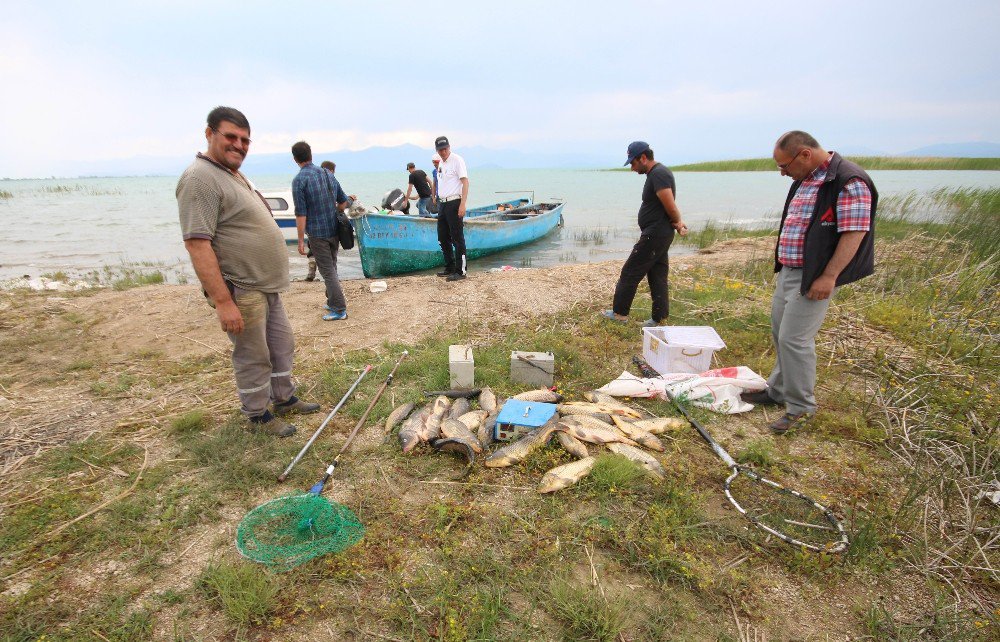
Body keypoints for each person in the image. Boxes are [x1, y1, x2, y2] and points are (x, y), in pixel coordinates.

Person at [176, 106, 320, 437]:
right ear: (209, 133)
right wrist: (224, 302)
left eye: (245, 140)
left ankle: (282, 397)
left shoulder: (230, 173)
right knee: (253, 354)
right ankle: (256, 414)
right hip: (241, 287)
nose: (239, 145)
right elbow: (198, 245)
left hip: (265, 285)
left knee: (281, 345)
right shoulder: (199, 178)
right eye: (231, 137)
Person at [741, 131, 877, 434]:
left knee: (795, 339)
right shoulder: (804, 178)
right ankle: (777, 391)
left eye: (785, 166)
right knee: (780, 332)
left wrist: (829, 276)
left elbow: (854, 232)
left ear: (804, 154)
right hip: (790, 270)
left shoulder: (849, 180)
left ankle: (801, 408)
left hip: (815, 274)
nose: (783, 173)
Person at [602, 141, 688, 327]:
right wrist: (676, 224)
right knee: (657, 274)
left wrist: (678, 221)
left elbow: (669, 203)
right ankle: (660, 319)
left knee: (630, 272)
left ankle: (619, 314)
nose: (632, 168)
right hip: (660, 233)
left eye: (633, 163)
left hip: (655, 234)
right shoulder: (657, 174)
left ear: (643, 157)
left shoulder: (658, 174)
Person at [291, 141, 351, 321]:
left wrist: (300, 240)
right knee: (332, 266)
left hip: (317, 234)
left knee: (327, 271)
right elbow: (343, 201)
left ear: (295, 159)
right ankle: (333, 300)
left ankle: (339, 309)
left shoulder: (299, 180)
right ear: (311, 155)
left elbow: (301, 214)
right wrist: (334, 211)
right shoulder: (327, 174)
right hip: (334, 229)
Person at [433, 136, 470, 281]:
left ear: (449, 147)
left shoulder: (457, 160)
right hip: (443, 204)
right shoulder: (441, 162)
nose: (443, 152)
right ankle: (450, 267)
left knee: (457, 238)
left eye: (445, 149)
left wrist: (463, 204)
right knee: (442, 237)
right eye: (440, 150)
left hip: (455, 202)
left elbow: (465, 182)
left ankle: (461, 271)